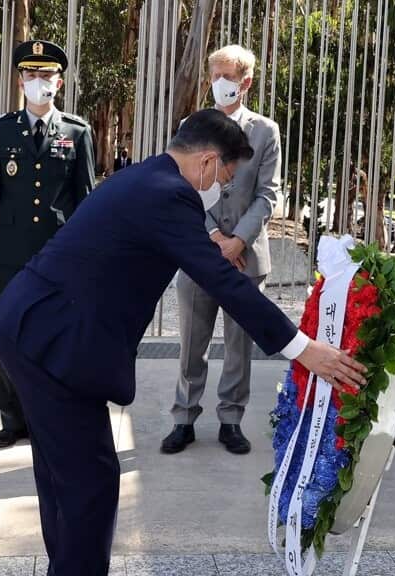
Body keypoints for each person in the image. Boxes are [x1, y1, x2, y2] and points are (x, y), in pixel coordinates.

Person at [0, 109, 367, 575]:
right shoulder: (169, 195)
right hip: (52, 341)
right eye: (225, 178)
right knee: (90, 485)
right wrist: (305, 349)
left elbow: (181, 240)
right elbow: (225, 285)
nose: (221, 190)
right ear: (208, 162)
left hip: (32, 326)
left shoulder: (149, 176)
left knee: (63, 477)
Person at [164, 44, 283, 456]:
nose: (218, 83)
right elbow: (182, 185)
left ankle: (231, 419)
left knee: (239, 346)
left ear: (245, 81)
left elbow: (269, 194)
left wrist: (238, 240)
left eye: (226, 76)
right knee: (191, 342)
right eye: (213, 74)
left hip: (246, 257)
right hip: (199, 251)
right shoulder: (192, 125)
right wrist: (215, 238)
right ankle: (184, 417)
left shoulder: (266, 131)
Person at [0, 39, 96, 449]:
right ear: (20, 80)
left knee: (54, 333)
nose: (38, 82)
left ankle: (48, 415)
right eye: (31, 75)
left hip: (58, 250)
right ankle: (13, 419)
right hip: (10, 251)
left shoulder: (77, 132)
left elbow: (86, 197)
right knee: (9, 333)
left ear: (59, 82)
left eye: (46, 75)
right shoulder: (1, 129)